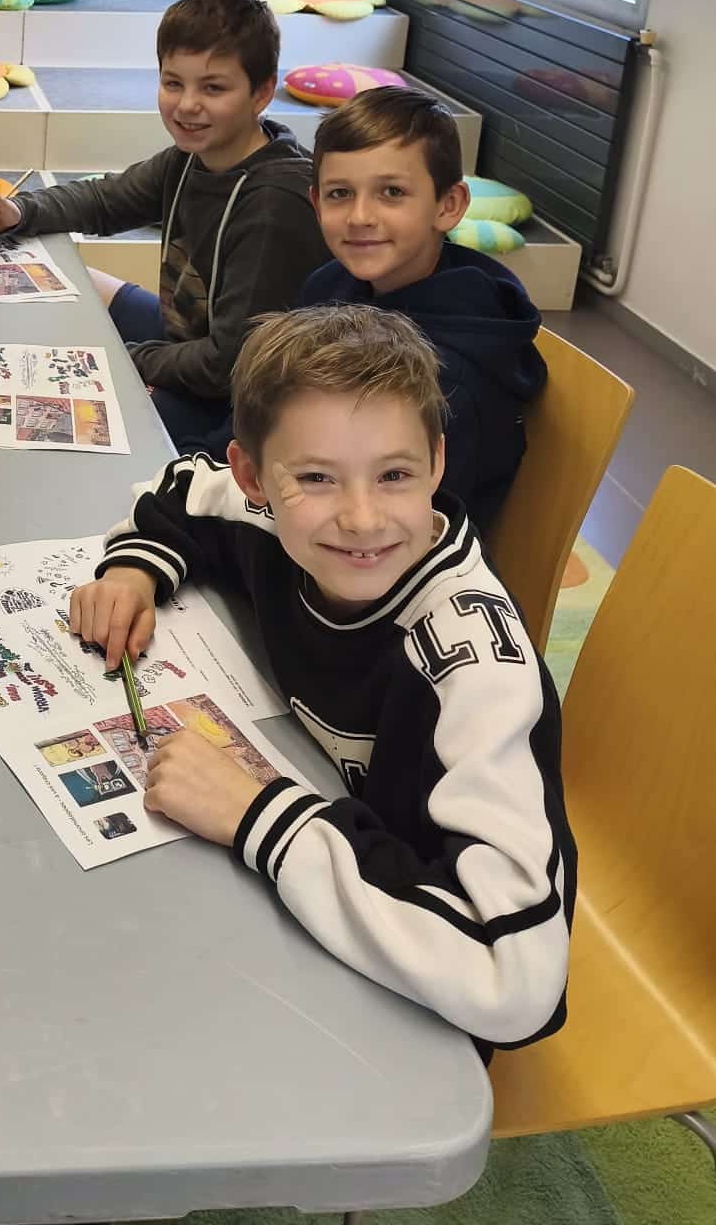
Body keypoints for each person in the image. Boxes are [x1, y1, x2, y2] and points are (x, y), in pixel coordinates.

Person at [69, 303, 574, 1056]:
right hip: (320, 876)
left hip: (409, 1001)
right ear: (254, 476)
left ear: (437, 462)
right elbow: (184, 489)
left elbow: (518, 981)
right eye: (316, 478)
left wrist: (259, 815)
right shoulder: (262, 511)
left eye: (395, 475)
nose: (363, 519)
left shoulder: (475, 673)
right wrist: (135, 567)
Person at [0, 0, 326, 449]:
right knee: (59, 276)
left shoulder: (274, 204)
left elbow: (226, 367)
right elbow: (105, 200)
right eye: (173, 83)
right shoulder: (192, 157)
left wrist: (123, 358)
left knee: (60, 410)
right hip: (188, 336)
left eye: (213, 88)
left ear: (262, 93)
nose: (187, 105)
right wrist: (20, 210)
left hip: (234, 404)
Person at [303, 86, 546, 533]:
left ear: (447, 206)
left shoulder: (449, 380)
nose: (360, 216)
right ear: (316, 204)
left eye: (391, 192)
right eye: (340, 193)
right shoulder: (328, 286)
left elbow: (402, 531)